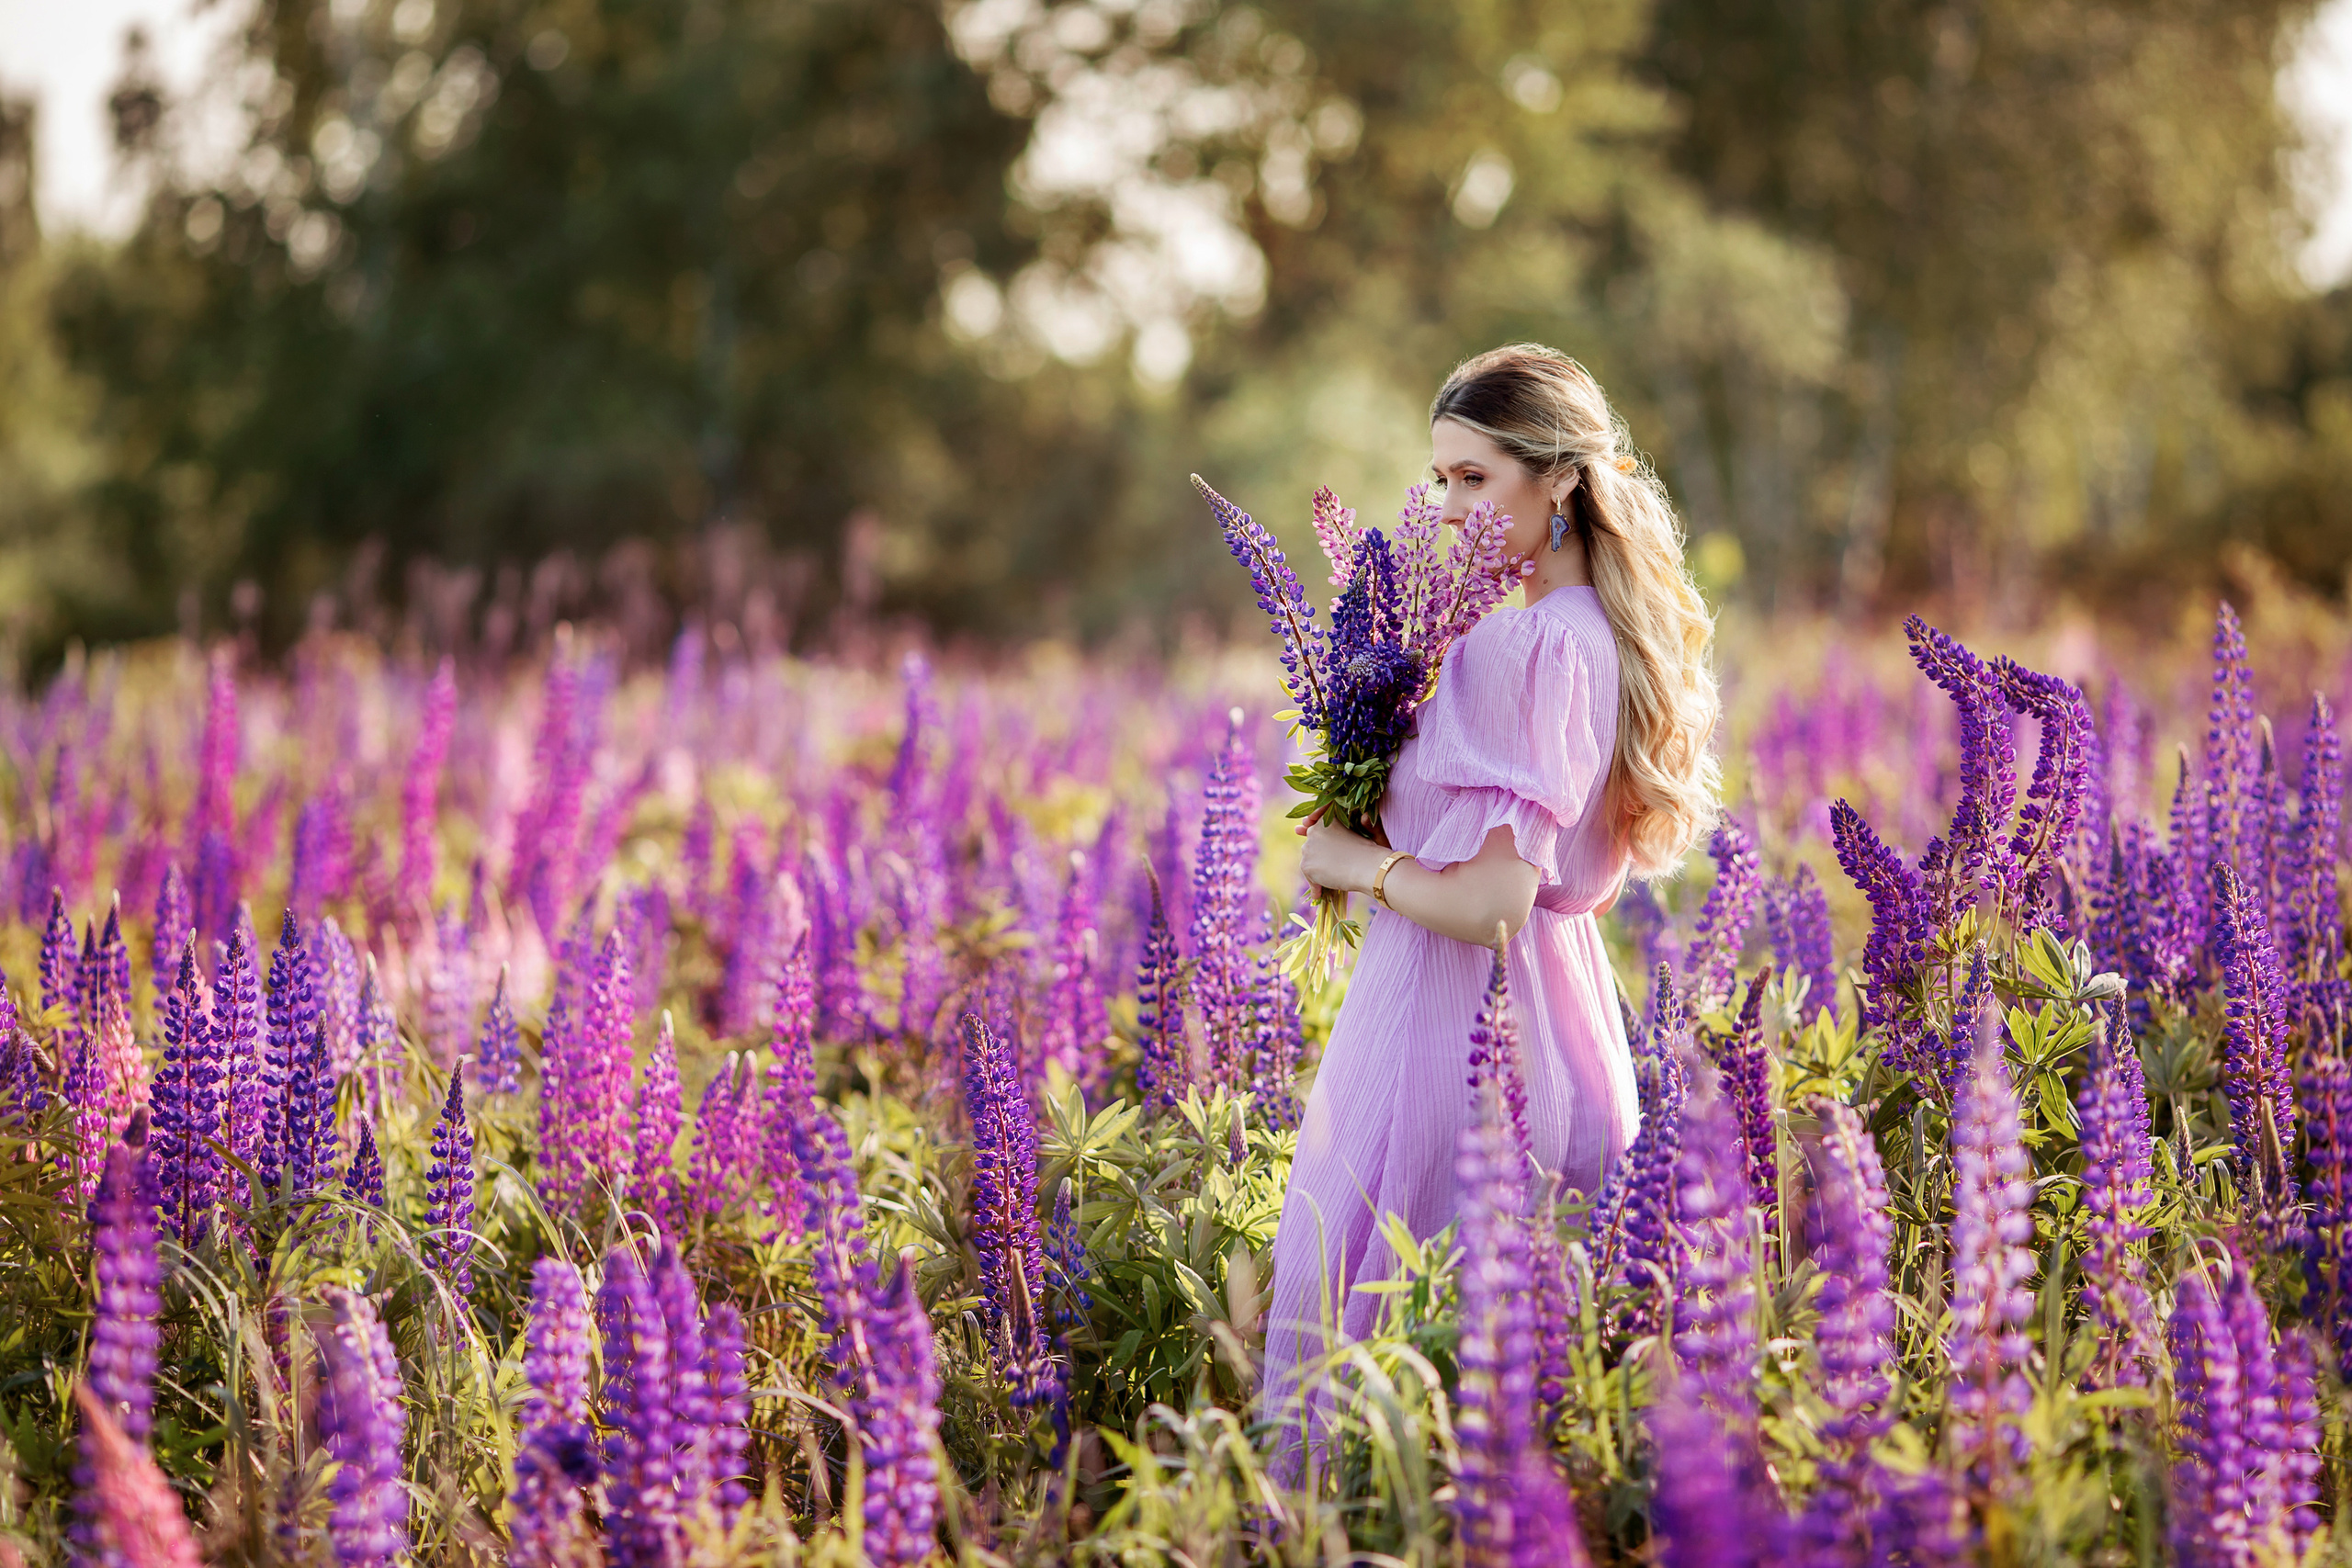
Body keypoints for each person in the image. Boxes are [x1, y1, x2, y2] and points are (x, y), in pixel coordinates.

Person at [1260, 343, 1722, 1472]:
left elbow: (1495, 905)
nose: (1449, 507)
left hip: (1456, 1051)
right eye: (1440, 479)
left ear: (1557, 479)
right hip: (1562, 1038)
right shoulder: (1584, 635)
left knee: (1378, 1421)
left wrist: (1355, 863)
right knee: (1512, 1430)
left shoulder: (1525, 647)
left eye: (1475, 477)